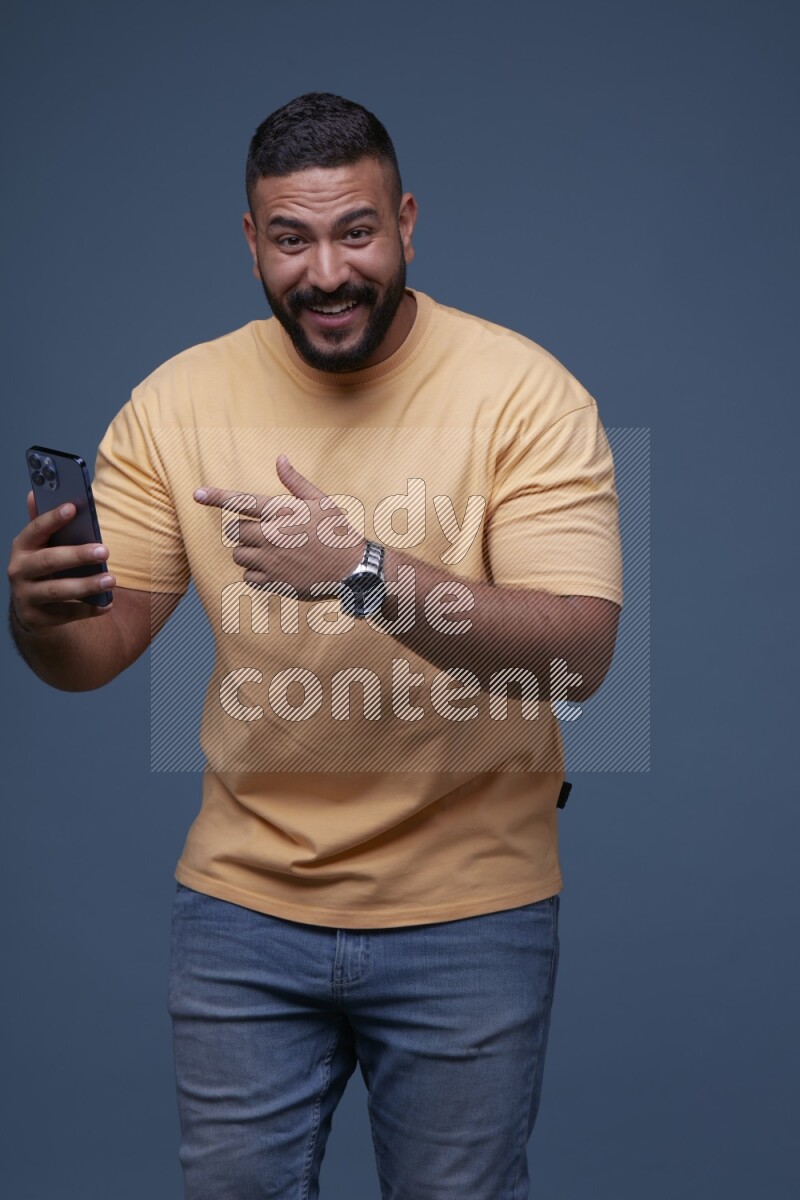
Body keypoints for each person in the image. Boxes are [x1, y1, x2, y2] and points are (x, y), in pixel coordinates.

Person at [8, 93, 623, 1200]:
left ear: (407, 224)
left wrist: (367, 579)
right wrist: (39, 619)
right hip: (241, 909)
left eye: (356, 232)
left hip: (468, 910)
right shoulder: (176, 399)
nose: (326, 272)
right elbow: (95, 655)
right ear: (251, 243)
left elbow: (573, 661)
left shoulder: (522, 393)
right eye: (291, 239)